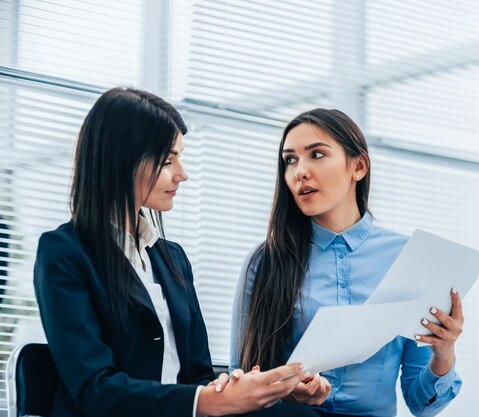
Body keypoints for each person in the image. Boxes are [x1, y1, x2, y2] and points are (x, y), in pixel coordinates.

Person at [33, 87, 319, 417]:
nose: (182, 174)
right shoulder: (64, 253)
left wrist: (266, 390)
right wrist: (211, 401)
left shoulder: (172, 259)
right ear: (121, 160)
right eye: (168, 160)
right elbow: (95, 389)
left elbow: (196, 375)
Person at [231, 109, 463, 417]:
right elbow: (240, 380)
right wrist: (287, 391)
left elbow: (421, 405)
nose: (300, 171)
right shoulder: (266, 261)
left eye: (316, 154)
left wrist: (444, 352)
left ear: (358, 166)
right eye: (290, 160)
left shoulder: (410, 258)